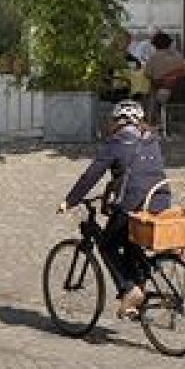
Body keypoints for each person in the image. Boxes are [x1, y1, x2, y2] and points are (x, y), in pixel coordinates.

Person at [58, 99, 167, 319]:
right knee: (129, 242)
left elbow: (91, 175)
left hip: (133, 204)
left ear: (116, 121)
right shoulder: (152, 140)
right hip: (160, 200)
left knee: (107, 245)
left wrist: (70, 200)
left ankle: (130, 289)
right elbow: (144, 172)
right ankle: (140, 286)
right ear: (140, 121)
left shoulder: (116, 143)